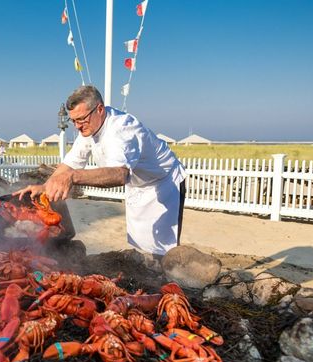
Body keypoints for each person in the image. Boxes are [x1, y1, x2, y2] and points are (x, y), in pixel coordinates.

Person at [15, 85, 186, 255]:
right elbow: (71, 163)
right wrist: (46, 186)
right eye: (73, 121)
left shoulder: (121, 130)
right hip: (139, 185)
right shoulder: (89, 128)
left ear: (100, 109)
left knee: (165, 250)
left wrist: (73, 177)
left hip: (164, 183)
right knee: (143, 244)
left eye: (81, 119)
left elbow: (119, 174)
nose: (77, 126)